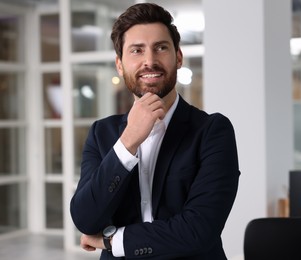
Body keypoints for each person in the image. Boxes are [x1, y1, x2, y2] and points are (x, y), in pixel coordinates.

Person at [70, 3, 240, 260]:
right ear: (120, 64)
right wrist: (128, 141)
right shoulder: (101, 133)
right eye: (136, 50)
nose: (149, 61)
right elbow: (85, 218)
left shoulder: (213, 131)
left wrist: (111, 241)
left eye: (160, 48)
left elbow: (199, 231)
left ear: (178, 57)